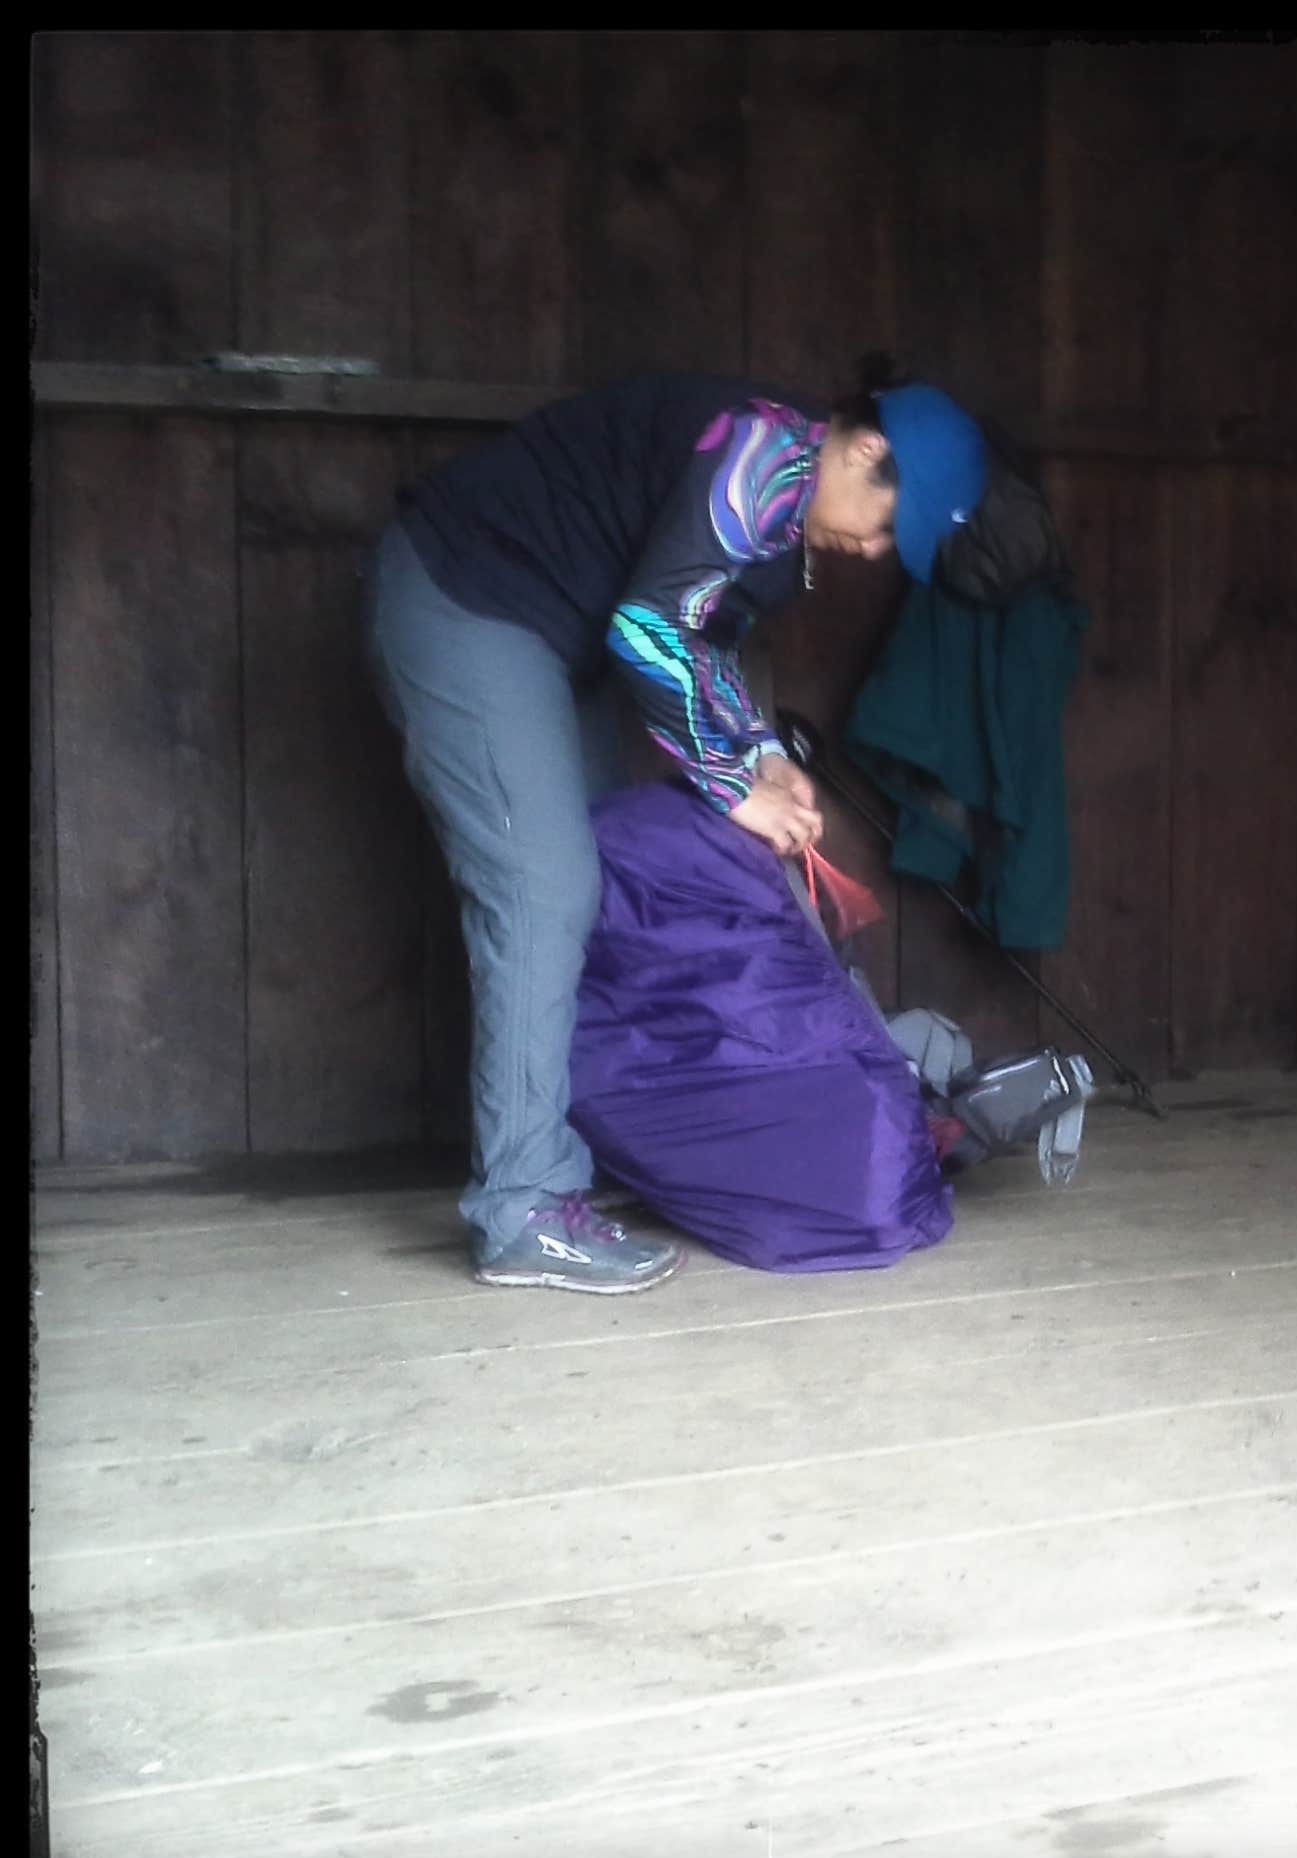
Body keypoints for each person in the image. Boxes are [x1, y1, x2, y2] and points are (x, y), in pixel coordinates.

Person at [362, 353, 989, 1295]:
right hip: (467, 602)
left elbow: (698, 637)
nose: (875, 553)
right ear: (863, 452)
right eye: (887, 526)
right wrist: (734, 788)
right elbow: (649, 628)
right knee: (544, 887)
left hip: (550, 639)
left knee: (615, 867)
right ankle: (524, 1205)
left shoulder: (786, 527)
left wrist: (759, 757)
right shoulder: (765, 449)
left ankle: (597, 1146)